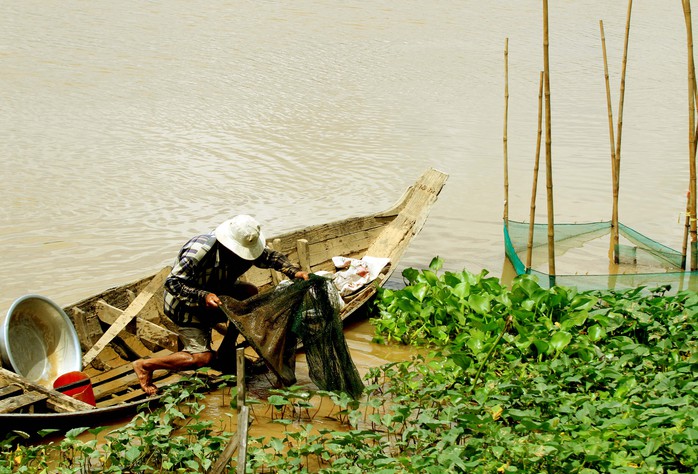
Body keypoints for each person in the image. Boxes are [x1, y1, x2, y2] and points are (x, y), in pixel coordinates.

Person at [133, 214, 309, 395]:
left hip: (218, 298)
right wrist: (203, 296)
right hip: (185, 306)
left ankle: (226, 350)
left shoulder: (247, 250)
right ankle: (146, 366)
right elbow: (172, 284)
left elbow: (270, 257)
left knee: (249, 293)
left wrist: (293, 271)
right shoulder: (199, 251)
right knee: (203, 358)